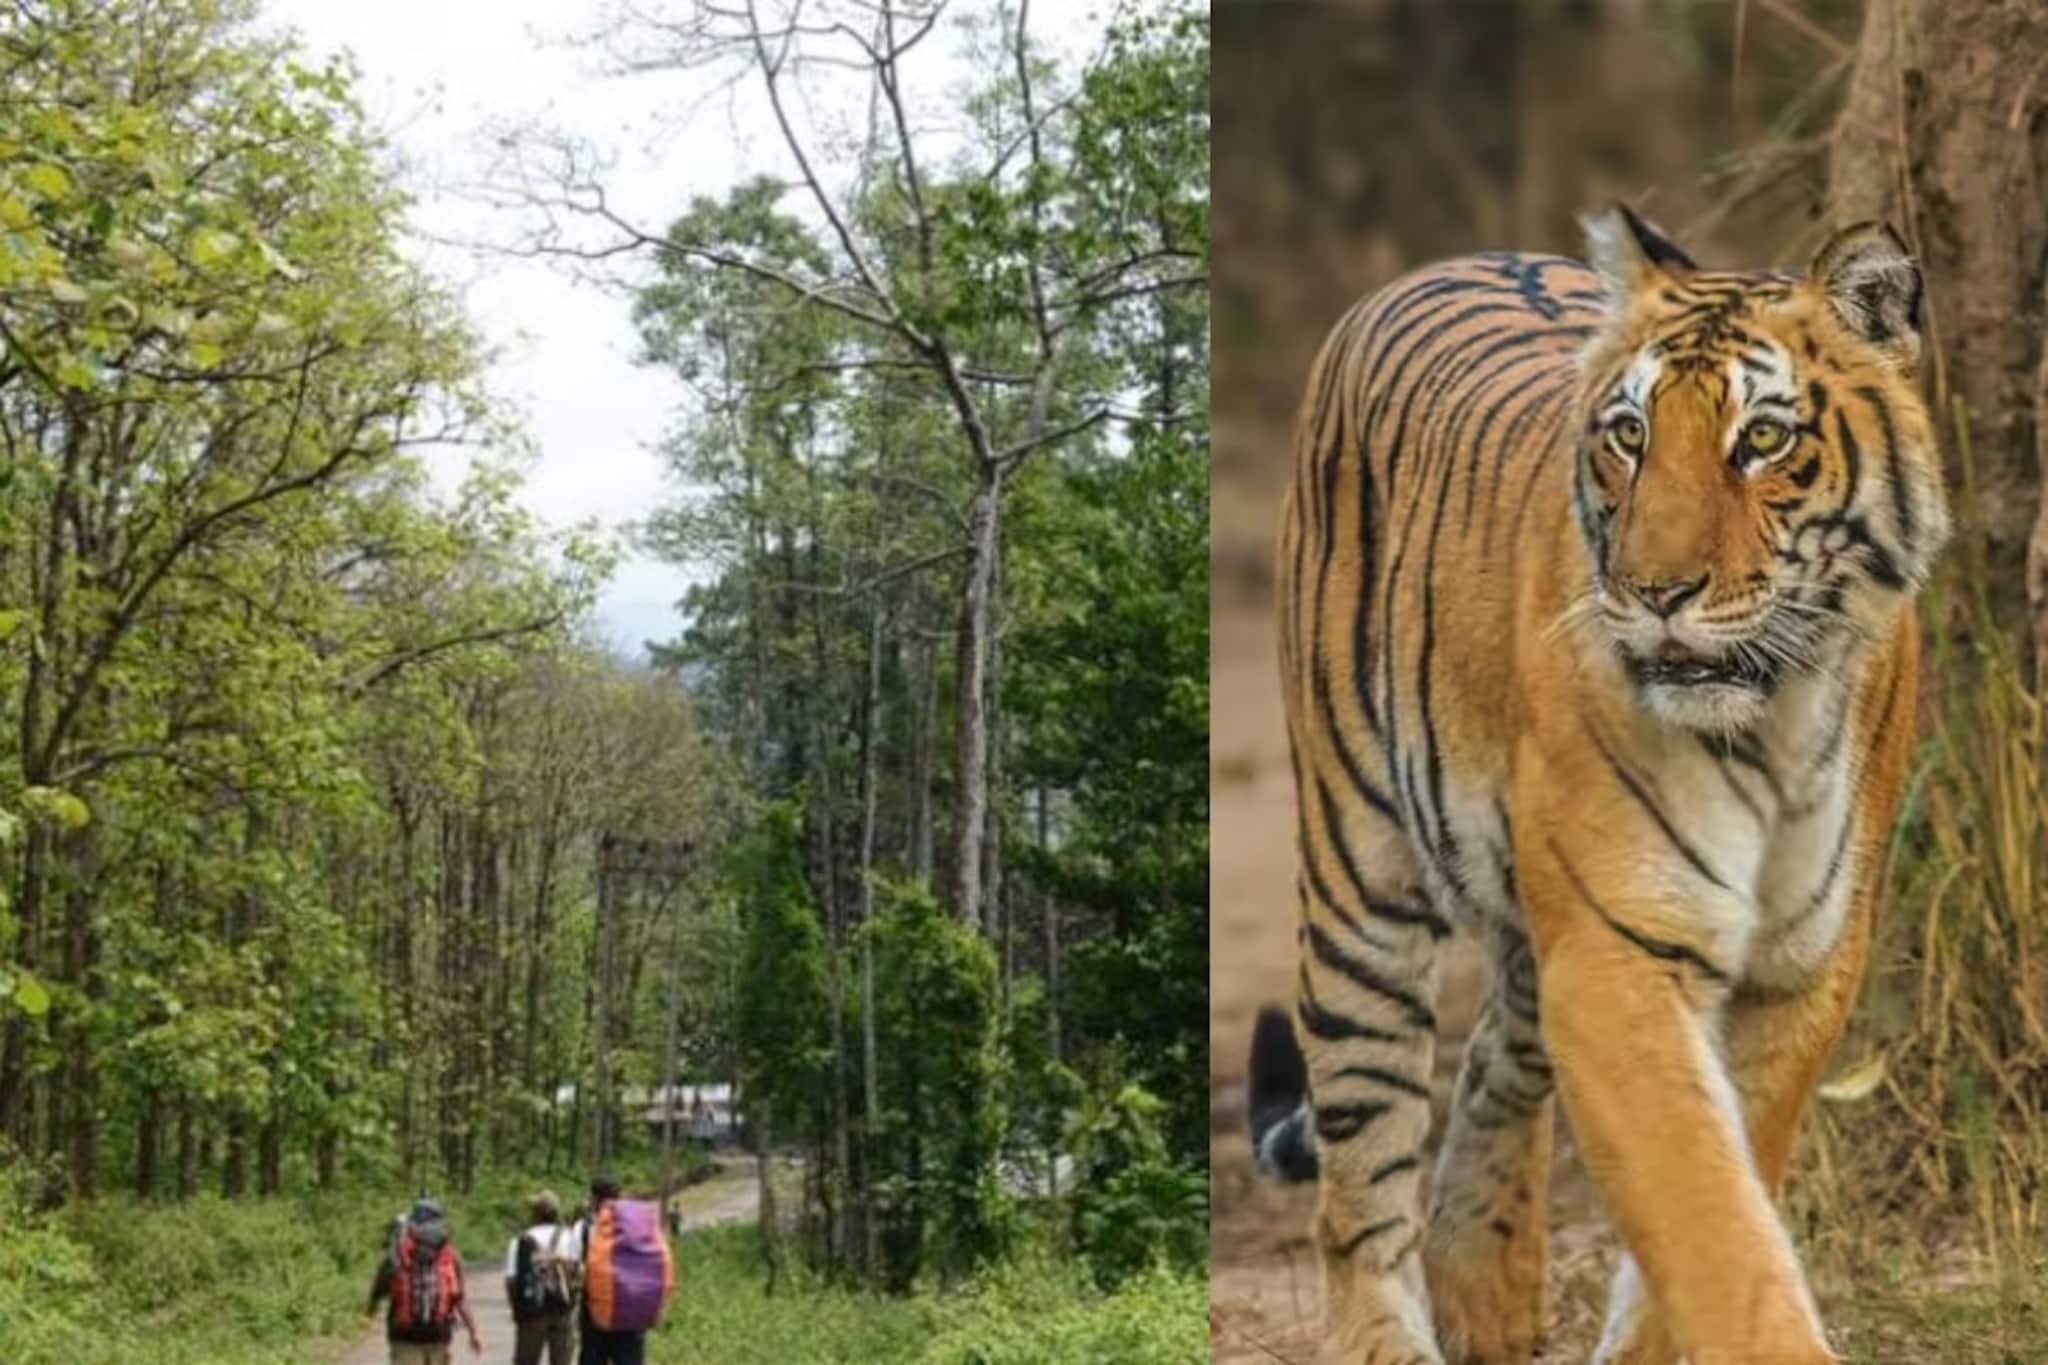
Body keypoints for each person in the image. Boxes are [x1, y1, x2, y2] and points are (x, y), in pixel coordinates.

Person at [571, 1175, 672, 1365]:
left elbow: (575, 1269)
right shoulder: (637, 1225)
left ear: (594, 1199)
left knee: (592, 1358)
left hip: (595, 1310)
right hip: (632, 1309)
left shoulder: (585, 1228)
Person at [367, 1197, 483, 1363]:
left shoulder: (398, 1253)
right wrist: (473, 1332)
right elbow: (459, 1298)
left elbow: (379, 1290)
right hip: (438, 1337)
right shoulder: (450, 1255)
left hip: (404, 1338)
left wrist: (369, 1313)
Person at [505, 1189, 580, 1365]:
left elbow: (511, 1281)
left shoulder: (520, 1240)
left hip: (532, 1311)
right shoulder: (569, 1237)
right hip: (562, 1309)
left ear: (535, 1213)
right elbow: (576, 1273)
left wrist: (517, 1310)